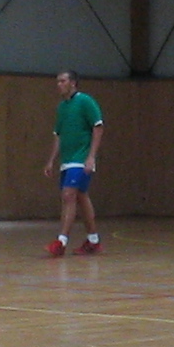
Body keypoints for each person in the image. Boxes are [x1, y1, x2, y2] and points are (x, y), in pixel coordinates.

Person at [44, 69, 104, 257]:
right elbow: (58, 135)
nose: (59, 85)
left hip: (81, 158)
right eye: (57, 81)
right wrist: (51, 160)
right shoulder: (62, 107)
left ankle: (61, 242)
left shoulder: (85, 101)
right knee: (81, 197)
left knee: (68, 194)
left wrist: (91, 156)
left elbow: (98, 127)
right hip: (67, 160)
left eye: (62, 81)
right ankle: (93, 240)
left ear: (73, 83)